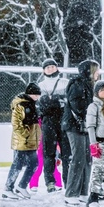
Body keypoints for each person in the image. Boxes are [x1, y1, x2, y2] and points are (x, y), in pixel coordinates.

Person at [62, 59, 100, 205]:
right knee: (78, 157)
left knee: (87, 158)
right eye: (96, 70)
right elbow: (77, 104)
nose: (98, 73)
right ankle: (71, 193)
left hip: (83, 125)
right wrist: (90, 112)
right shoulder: (77, 84)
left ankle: (83, 192)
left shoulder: (88, 85)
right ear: (89, 71)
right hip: (74, 126)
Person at [2, 83, 42, 200]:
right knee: (18, 165)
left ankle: (22, 186)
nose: (37, 97)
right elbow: (16, 123)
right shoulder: (20, 105)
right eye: (35, 94)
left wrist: (36, 136)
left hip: (30, 141)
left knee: (34, 164)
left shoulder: (32, 105)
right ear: (30, 94)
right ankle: (8, 188)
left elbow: (35, 124)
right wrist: (26, 134)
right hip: (22, 141)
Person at [36, 58, 71, 193]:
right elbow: (42, 103)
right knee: (49, 153)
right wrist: (58, 101)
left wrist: (51, 100)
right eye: (47, 67)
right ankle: (50, 182)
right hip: (48, 122)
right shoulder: (40, 85)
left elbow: (68, 101)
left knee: (67, 153)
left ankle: (68, 182)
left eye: (52, 66)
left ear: (57, 68)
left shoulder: (66, 82)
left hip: (64, 121)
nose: (50, 69)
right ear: (43, 70)